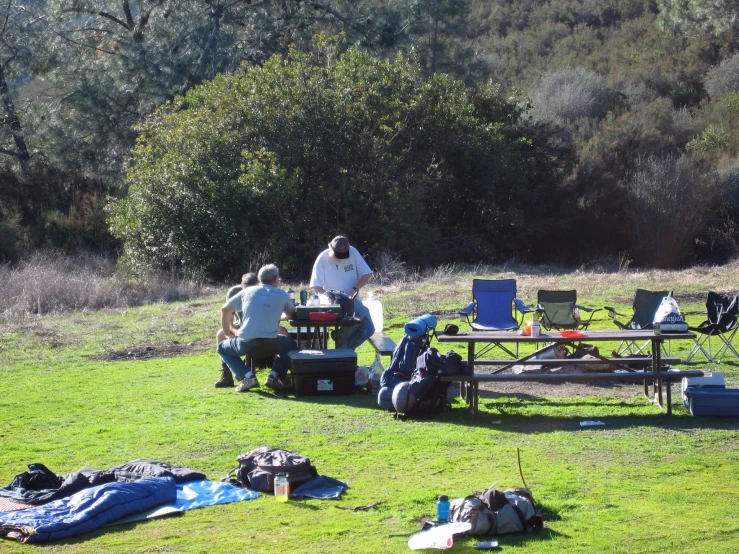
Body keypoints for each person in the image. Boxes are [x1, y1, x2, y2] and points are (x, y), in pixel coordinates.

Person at [217, 264, 297, 392]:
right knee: (291, 345)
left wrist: (227, 333)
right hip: (271, 341)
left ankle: (248, 376)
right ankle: (274, 375)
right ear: (276, 279)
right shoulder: (282, 294)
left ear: (260, 279)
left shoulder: (246, 291)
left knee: (222, 348)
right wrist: (276, 313)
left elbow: (224, 309)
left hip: (245, 342)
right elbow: (291, 314)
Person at [310, 235, 374, 349]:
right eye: (338, 255)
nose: (341, 258)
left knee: (369, 328)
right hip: (333, 302)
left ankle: (342, 346)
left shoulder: (353, 252)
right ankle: (343, 348)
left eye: (344, 255)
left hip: (352, 299)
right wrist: (329, 299)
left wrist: (354, 289)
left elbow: (367, 273)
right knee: (360, 312)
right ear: (331, 248)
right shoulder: (322, 259)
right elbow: (315, 286)